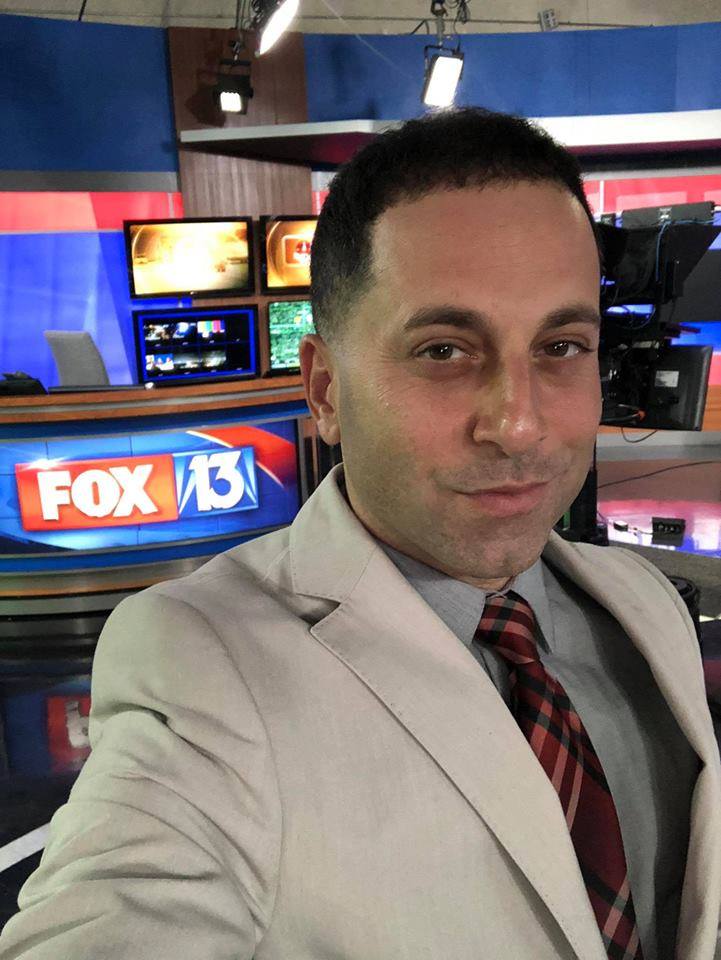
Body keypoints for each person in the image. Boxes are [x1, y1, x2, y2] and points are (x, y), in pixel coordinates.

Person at [1, 108, 719, 960]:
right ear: (326, 391)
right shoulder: (203, 663)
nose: (517, 424)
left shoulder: (643, 602)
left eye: (559, 346)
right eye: (443, 351)